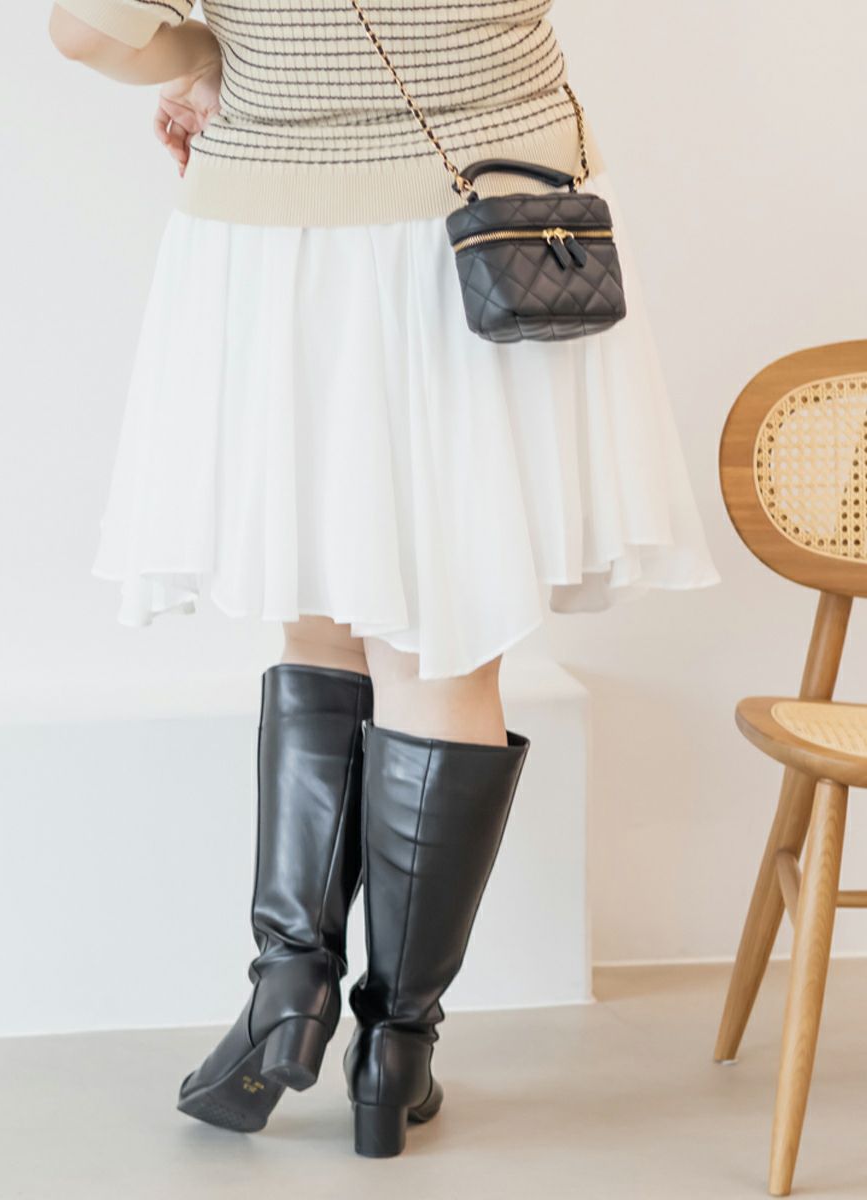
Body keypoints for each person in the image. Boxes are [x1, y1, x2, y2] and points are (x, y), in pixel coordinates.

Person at [48, 0, 720, 1158]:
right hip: (499, 225)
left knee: (318, 609)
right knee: (440, 646)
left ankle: (286, 992)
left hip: (276, 234)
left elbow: (89, 28)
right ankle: (394, 1050)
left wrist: (208, 54)